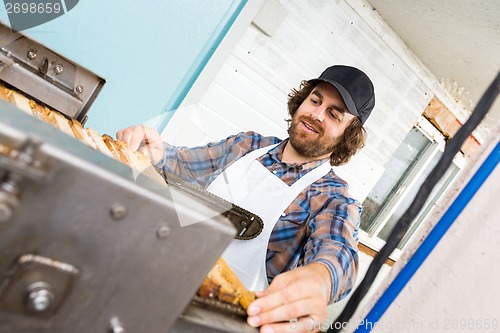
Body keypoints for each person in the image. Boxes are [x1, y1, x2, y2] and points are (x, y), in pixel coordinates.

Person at [117, 65, 375, 333]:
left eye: (334, 115)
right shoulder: (247, 145)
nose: (316, 114)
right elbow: (182, 165)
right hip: (156, 281)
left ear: (348, 134)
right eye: (315, 100)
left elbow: (338, 252)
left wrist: (319, 279)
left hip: (219, 324)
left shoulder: (332, 198)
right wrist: (154, 151)